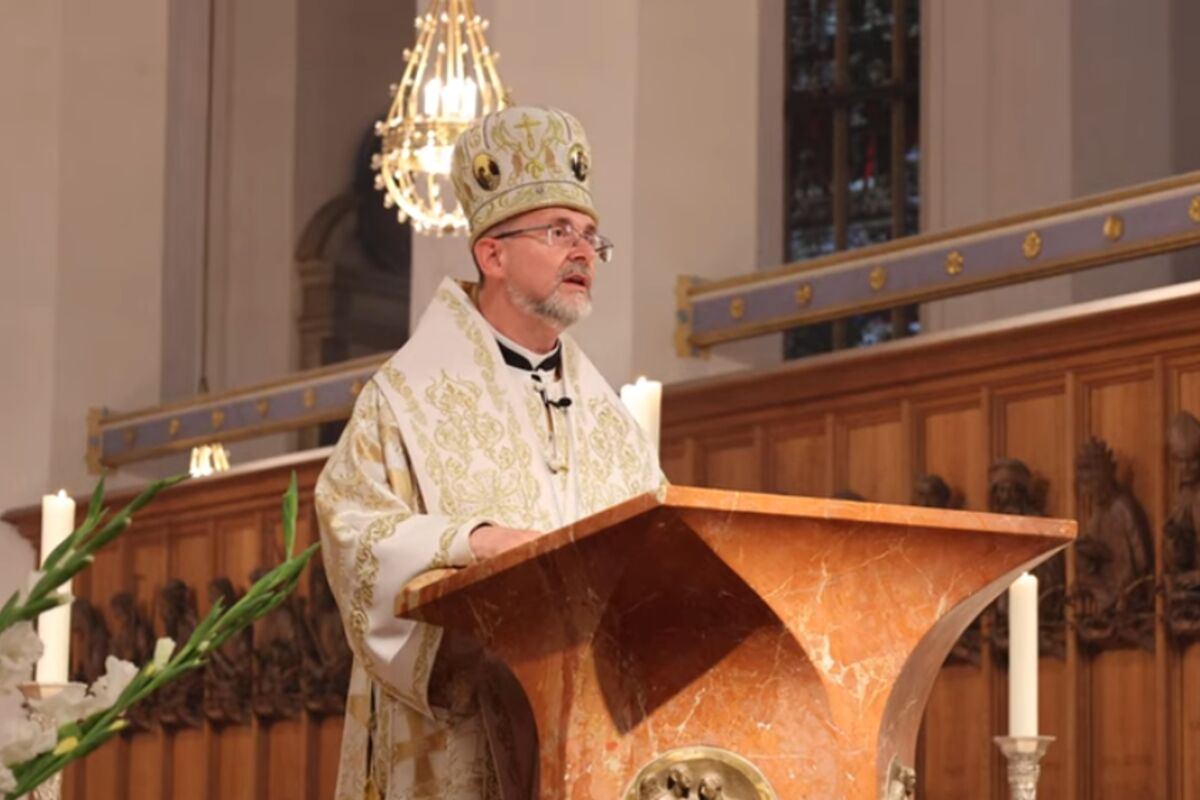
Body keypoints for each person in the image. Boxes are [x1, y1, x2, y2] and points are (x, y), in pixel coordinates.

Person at [315, 105, 663, 800]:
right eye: (559, 232)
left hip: (584, 742)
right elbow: (350, 530)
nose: (583, 253)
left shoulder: (611, 422)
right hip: (458, 742)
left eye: (592, 237)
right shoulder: (405, 399)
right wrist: (469, 541)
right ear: (491, 254)